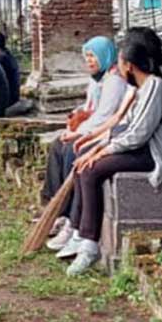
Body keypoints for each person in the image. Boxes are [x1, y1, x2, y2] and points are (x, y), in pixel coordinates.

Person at [58, 29, 162, 276]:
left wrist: (101, 153)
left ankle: (89, 245)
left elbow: (137, 134)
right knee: (83, 161)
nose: (117, 68)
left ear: (129, 65)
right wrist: (95, 145)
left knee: (91, 169)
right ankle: (77, 230)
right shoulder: (143, 87)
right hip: (140, 146)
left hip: (155, 153)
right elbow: (122, 124)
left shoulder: (155, 87)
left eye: (120, 62)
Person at [43, 36, 129, 251]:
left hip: (107, 133)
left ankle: (73, 217)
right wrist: (77, 115)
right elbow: (90, 106)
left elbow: (105, 115)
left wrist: (79, 134)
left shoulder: (114, 81)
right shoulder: (97, 79)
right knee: (56, 147)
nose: (89, 61)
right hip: (93, 129)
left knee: (74, 151)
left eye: (93, 56)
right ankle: (56, 208)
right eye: (87, 56)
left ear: (105, 56)